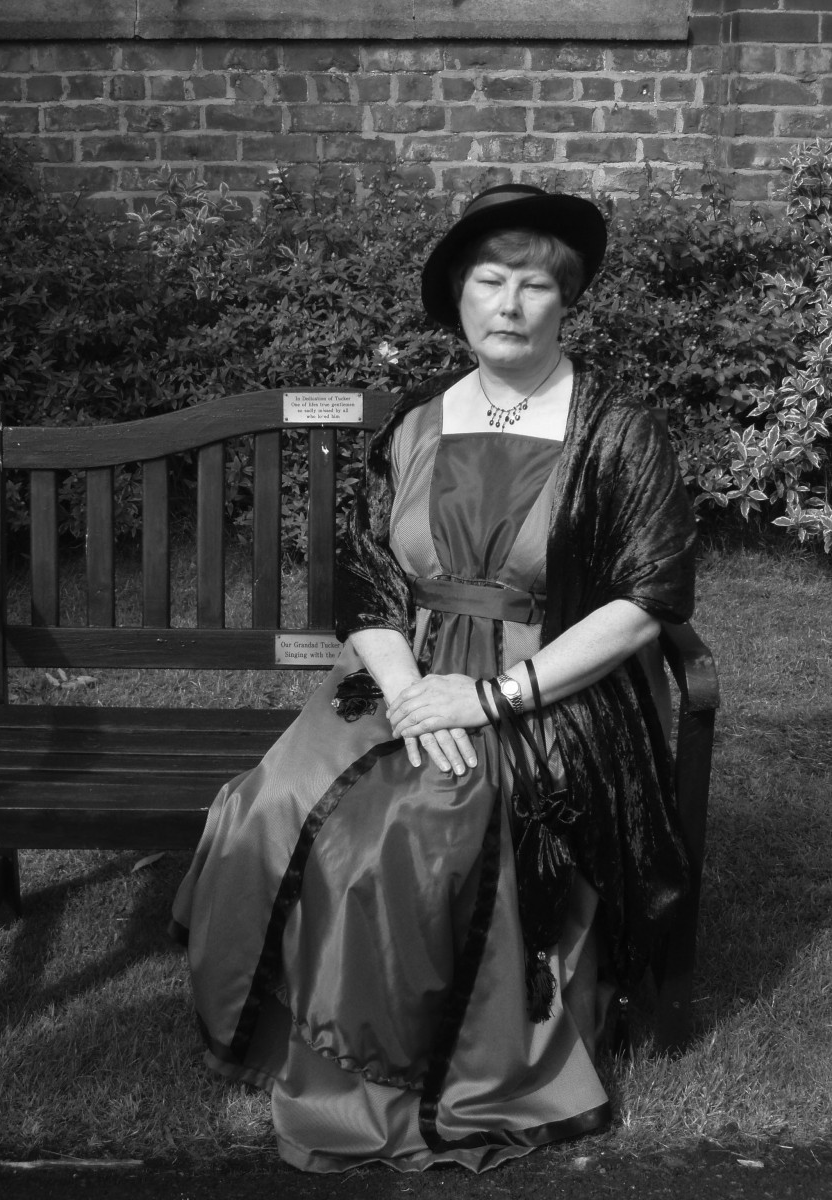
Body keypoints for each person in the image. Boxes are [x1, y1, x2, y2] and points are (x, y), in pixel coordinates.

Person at [170, 184, 697, 1173]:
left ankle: (399, 1074)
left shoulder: (619, 432)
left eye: (534, 284)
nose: (510, 304)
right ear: (459, 298)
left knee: (421, 825)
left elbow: (645, 602)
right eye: (489, 281)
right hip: (404, 671)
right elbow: (367, 583)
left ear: (566, 300)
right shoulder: (416, 422)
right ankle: (288, 1031)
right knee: (274, 801)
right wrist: (415, 697)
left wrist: (488, 698)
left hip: (548, 688)